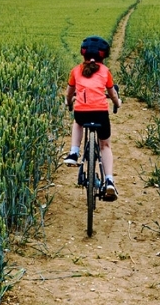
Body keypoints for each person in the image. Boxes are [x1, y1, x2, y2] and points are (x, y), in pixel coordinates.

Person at [63, 36, 122, 201]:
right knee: (105, 146)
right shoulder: (105, 72)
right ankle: (109, 181)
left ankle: (74, 152)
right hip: (101, 114)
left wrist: (69, 102)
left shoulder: (75, 71)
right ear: (104, 56)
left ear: (83, 54)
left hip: (82, 112)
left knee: (77, 122)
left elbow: (69, 93)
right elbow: (112, 94)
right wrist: (118, 103)